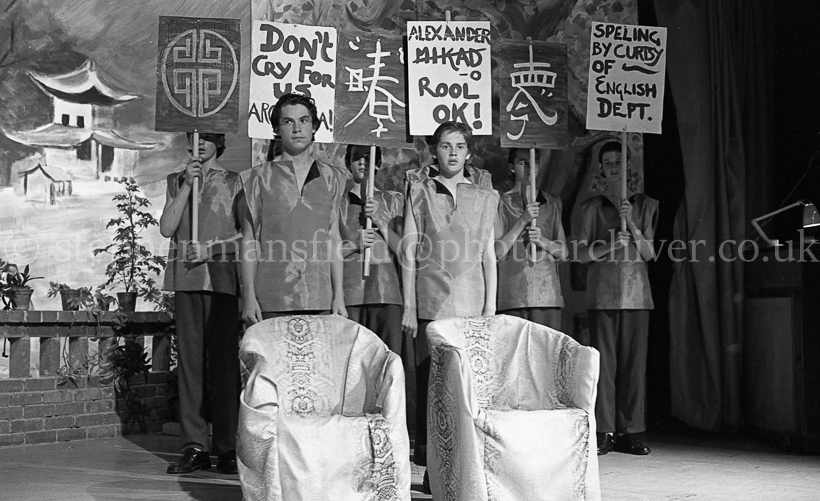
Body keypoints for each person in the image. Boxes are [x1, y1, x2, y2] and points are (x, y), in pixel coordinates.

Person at [402, 121, 499, 491]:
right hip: (432, 300)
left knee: (468, 390)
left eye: (460, 146)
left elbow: (489, 253)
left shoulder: (484, 195)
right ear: (435, 151)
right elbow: (409, 249)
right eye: (445, 146)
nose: (453, 152)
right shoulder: (419, 189)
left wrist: (491, 306)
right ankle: (434, 467)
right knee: (433, 388)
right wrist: (409, 306)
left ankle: (469, 464)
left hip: (472, 303)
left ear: (469, 153)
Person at [159, 132, 241, 474]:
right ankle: (193, 445)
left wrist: (211, 250)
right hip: (187, 281)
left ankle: (227, 446)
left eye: (207, 137)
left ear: (218, 142)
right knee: (190, 367)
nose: (200, 143)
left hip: (222, 281)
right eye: (195, 137)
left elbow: (247, 236)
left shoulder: (237, 182)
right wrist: (186, 187)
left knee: (224, 368)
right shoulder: (176, 180)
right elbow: (166, 228)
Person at [576, 140, 658, 456]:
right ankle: (604, 430)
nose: (613, 167)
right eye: (607, 162)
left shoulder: (647, 204)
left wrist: (633, 223)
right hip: (603, 294)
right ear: (601, 169)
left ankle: (630, 431)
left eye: (618, 161)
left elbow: (650, 253)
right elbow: (580, 255)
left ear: (628, 166)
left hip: (638, 296)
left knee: (633, 366)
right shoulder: (590, 207)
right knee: (604, 366)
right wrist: (610, 245)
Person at [239, 93, 347, 323]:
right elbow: (249, 241)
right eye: (288, 121)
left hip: (320, 297)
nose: (297, 128)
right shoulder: (257, 178)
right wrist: (249, 297)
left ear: (314, 126)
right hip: (272, 297)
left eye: (304, 120)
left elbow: (334, 239)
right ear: (277, 129)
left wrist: (339, 296)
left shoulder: (333, 178)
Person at [339, 144, 404, 354]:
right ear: (347, 163)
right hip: (350, 295)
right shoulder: (338, 204)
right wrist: (354, 246)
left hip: (387, 294)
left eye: (368, 158)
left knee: (388, 361)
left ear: (378, 164)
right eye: (357, 157)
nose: (362, 162)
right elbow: (325, 254)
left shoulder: (393, 200)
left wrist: (380, 220)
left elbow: (404, 251)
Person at [495, 148, 567, 329]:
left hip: (547, 294)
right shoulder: (500, 202)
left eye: (534, 162)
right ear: (512, 167)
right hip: (513, 296)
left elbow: (564, 253)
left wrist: (544, 241)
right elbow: (497, 251)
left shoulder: (552, 202)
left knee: (546, 354)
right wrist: (523, 221)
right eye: (523, 162)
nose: (529, 168)